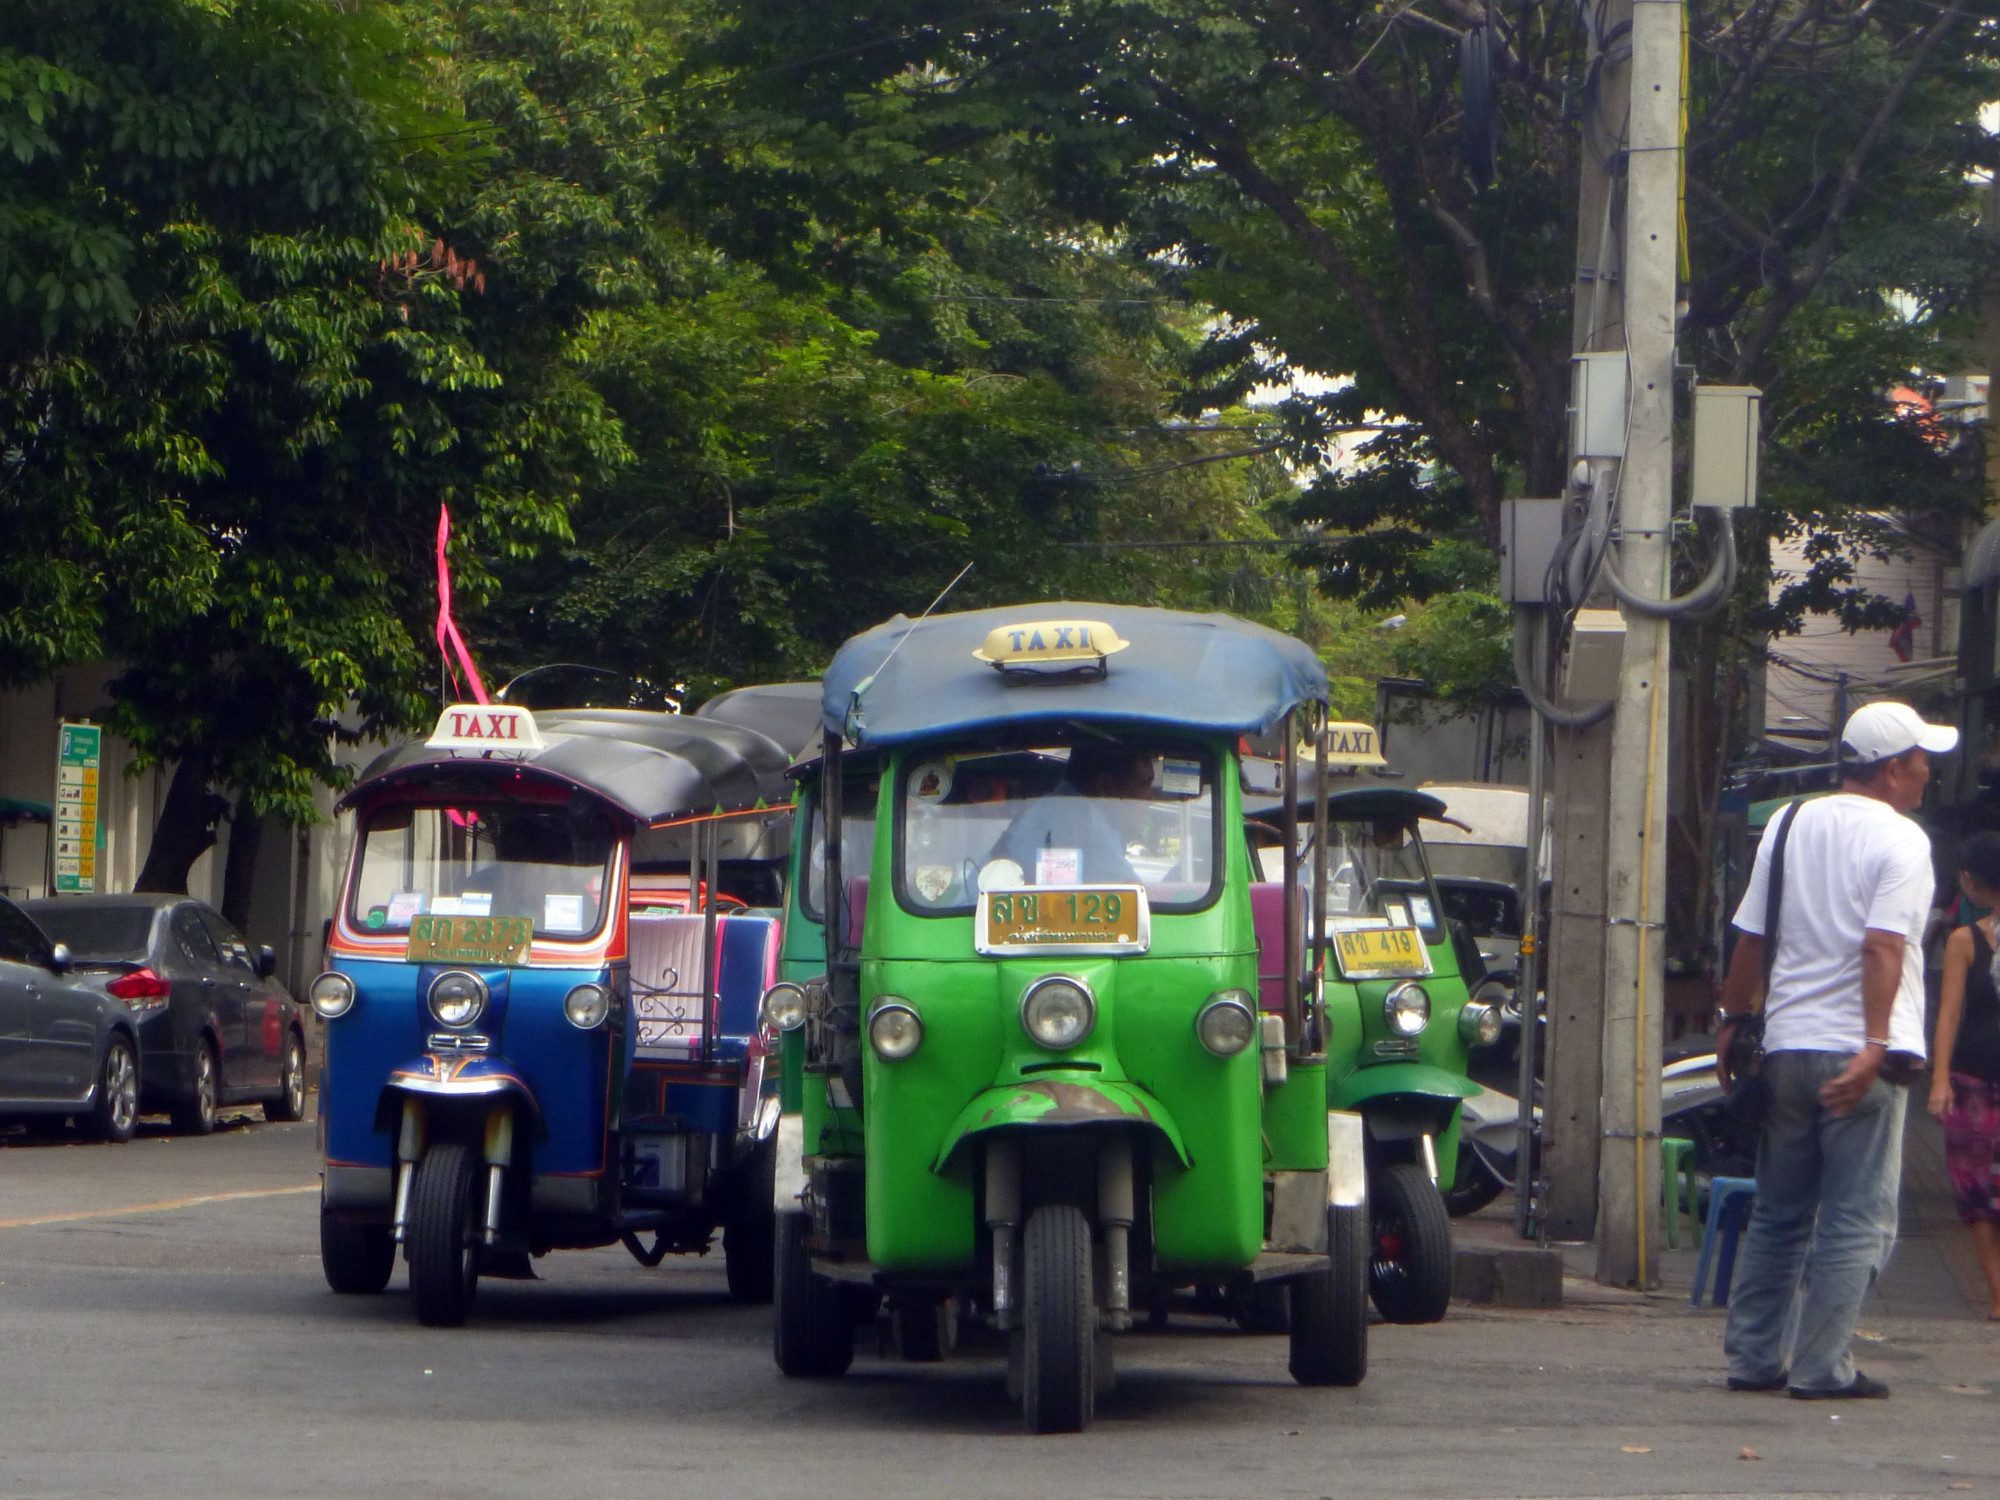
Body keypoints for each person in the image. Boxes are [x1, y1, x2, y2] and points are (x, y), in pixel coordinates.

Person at [1717, 699, 1957, 1400]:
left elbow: (1752, 938)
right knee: (1856, 1219)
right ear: (1889, 772)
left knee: (1780, 1212)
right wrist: (1875, 1042)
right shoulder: (1904, 841)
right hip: (1861, 1055)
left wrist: (1734, 1020)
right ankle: (1823, 1369)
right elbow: (1883, 946)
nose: (1925, 777)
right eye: (1920, 763)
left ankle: (1754, 1358)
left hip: (1788, 1049)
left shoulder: (1789, 823)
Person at [1928, 830, 2000, 1319]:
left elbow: (1948, 1015)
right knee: (1979, 1188)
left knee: (1976, 1191)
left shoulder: (1964, 941)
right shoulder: (1963, 939)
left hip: (1972, 1077)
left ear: (1969, 882)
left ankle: (1998, 1295)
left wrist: (1939, 1081)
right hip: (1974, 1081)